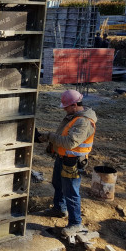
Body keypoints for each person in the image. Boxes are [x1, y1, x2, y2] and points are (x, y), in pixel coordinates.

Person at [39, 89, 97, 237]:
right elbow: (63, 135)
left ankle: (76, 223)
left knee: (71, 192)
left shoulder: (84, 122)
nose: (64, 109)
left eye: (66, 106)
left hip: (73, 162)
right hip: (63, 158)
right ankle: (59, 208)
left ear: (75, 105)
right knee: (57, 184)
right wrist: (48, 141)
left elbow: (70, 142)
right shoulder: (73, 117)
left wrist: (49, 137)